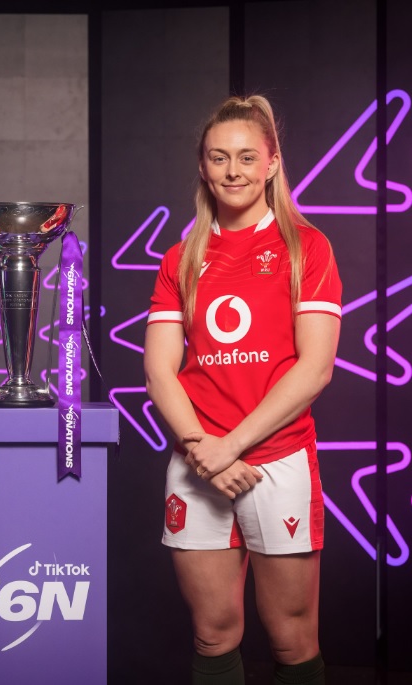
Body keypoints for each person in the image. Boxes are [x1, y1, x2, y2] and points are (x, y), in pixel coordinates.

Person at [144, 95, 342, 685]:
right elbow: (159, 371)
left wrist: (229, 447)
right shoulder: (181, 259)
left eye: (247, 157)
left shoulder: (306, 247)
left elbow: (315, 369)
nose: (233, 171)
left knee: (291, 638)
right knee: (212, 632)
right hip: (197, 460)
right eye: (219, 158)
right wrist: (201, 448)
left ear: (272, 163)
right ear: (203, 167)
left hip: (276, 460)